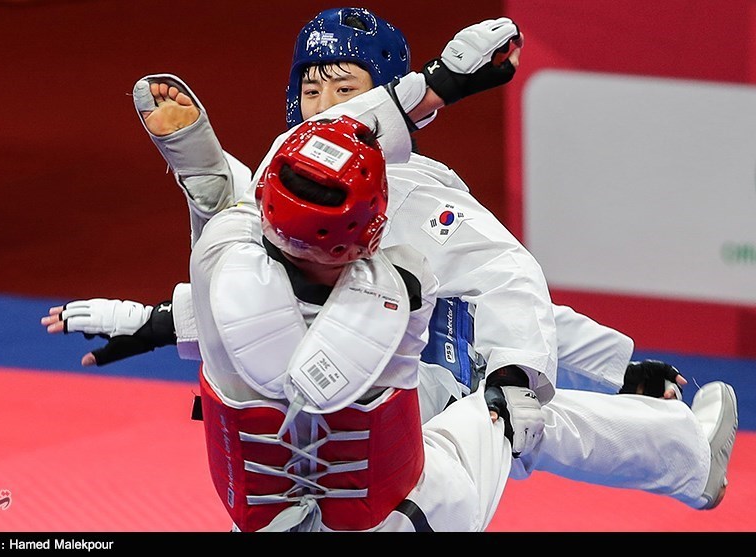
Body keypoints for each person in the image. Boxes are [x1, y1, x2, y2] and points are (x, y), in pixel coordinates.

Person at [42, 9, 737, 512]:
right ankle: (684, 453)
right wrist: (156, 322)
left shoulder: (406, 191)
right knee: (514, 428)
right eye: (309, 90)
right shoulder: (287, 182)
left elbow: (506, 285)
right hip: (317, 424)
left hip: (412, 401)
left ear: (378, 94)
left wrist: (600, 368)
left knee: (513, 420)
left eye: (344, 89)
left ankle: (681, 453)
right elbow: (256, 289)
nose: (321, 106)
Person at [183, 111, 538, 531]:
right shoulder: (408, 284)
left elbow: (247, 199)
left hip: (258, 521)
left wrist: (193, 153)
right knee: (501, 410)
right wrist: (429, 90)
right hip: (399, 519)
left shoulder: (214, 258)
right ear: (371, 229)